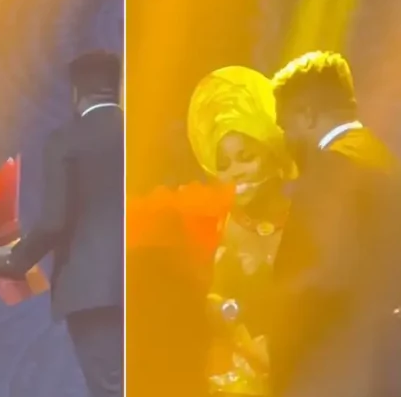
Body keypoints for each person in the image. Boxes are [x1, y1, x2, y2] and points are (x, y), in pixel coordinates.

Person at [127, 66, 296, 396]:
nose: (236, 172)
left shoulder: (307, 220)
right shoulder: (203, 222)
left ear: (273, 152)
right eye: (224, 164)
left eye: (246, 157)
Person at [0, 51, 124, 397]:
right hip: (144, 282)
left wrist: (14, 263)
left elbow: (53, 221)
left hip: (91, 291)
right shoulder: (139, 135)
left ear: (76, 93)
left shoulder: (66, 140)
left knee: (109, 388)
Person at [270, 50, 401, 397]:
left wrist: (269, 308)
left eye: (285, 126)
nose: (285, 139)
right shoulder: (383, 159)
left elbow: (323, 275)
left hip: (333, 367)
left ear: (307, 115)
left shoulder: (329, 168)